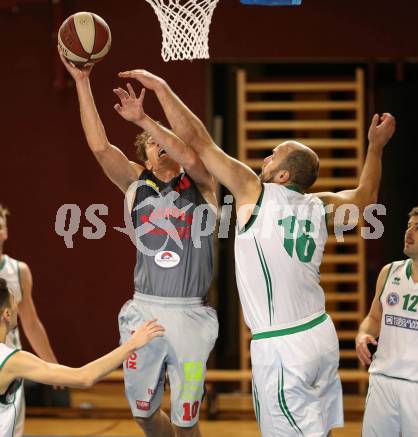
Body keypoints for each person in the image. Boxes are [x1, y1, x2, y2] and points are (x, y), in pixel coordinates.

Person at [112, 68, 395, 437]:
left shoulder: (255, 192)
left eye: (274, 155)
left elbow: (199, 140)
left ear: (282, 176)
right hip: (321, 336)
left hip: (281, 344)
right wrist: (375, 147)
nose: (265, 158)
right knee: (316, 429)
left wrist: (162, 89)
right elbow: (365, 198)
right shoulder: (319, 206)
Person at [58, 49, 219, 437]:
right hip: (145, 311)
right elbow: (100, 148)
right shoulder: (136, 185)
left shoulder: (202, 183)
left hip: (190, 314)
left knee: (186, 419)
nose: (162, 145)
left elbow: (192, 154)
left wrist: (146, 118)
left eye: (167, 141)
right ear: (143, 159)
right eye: (152, 142)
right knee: (144, 414)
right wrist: (82, 82)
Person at [0, 277, 164, 437]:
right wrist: (132, 344)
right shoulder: (13, 360)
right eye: (14, 301)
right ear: (6, 314)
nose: (18, 307)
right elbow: (84, 377)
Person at [356, 205, 418, 436]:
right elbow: (374, 317)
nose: (409, 232)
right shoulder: (389, 272)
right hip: (382, 383)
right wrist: (363, 334)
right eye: (408, 226)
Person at [0, 205, 59, 437]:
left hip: (11, 361)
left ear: (6, 232)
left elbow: (31, 322)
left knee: (11, 430)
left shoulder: (18, 270)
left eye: (1, 225)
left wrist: (50, 363)